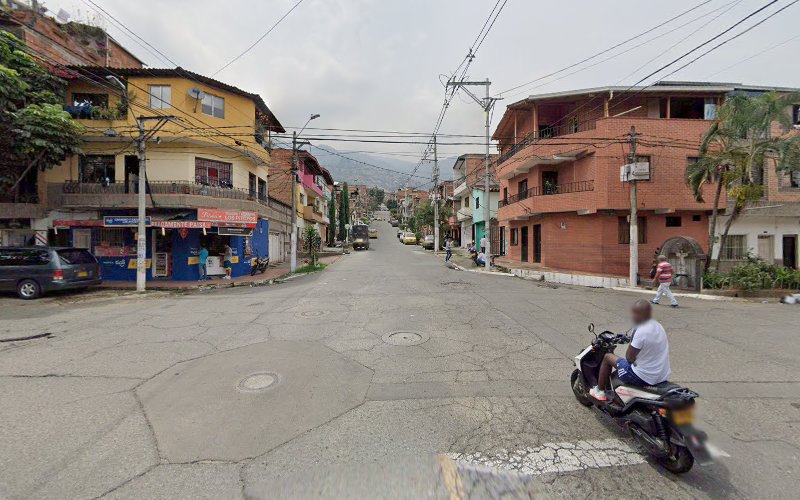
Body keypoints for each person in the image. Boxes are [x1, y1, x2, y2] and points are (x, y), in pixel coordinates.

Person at [590, 300, 671, 401]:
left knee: (607, 357)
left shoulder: (641, 330)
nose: (632, 316)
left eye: (635, 313)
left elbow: (629, 358)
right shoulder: (658, 326)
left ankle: (600, 391)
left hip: (644, 377)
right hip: (661, 375)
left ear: (640, 314)